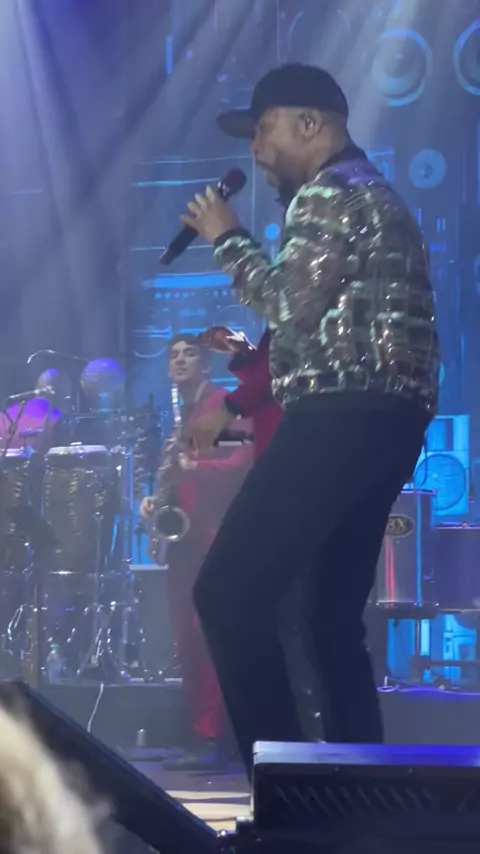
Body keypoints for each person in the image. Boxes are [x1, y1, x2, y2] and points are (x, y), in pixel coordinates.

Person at [180, 63, 440, 776]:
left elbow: (287, 302)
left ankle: (290, 789)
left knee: (228, 590)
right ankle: (361, 795)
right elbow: (324, 325)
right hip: (388, 418)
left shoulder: (329, 192)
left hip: (340, 415)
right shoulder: (373, 194)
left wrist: (226, 235)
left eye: (264, 130)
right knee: (328, 617)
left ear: (310, 124)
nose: (257, 151)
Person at [140, 334, 251, 769]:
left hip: (212, 535)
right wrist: (156, 500)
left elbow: (241, 464)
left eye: (190, 354)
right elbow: (177, 472)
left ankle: (214, 737)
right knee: (186, 638)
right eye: (174, 355)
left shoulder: (220, 406)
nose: (181, 360)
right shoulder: (179, 415)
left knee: (206, 636)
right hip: (183, 538)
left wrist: (194, 467)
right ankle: (200, 733)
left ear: (206, 365)